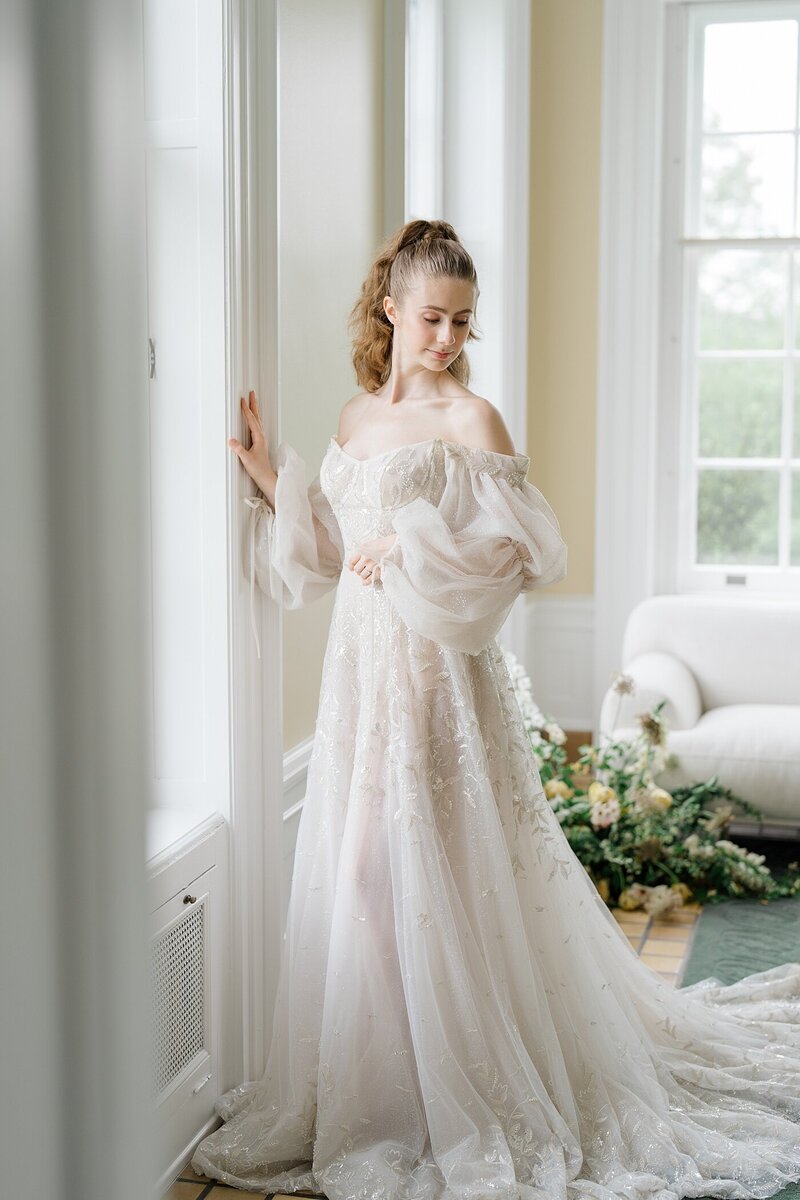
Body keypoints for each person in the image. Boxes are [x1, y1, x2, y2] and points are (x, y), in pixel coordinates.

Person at [191, 219, 800, 1200]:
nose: (445, 338)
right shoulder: (353, 421)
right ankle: (401, 1083)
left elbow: (514, 563)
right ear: (389, 307)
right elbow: (330, 546)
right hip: (361, 681)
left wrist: (415, 546)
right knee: (366, 884)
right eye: (430, 317)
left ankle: (453, 1093)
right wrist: (270, 478)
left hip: (435, 683)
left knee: (428, 881)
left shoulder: (472, 423)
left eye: (461, 322)